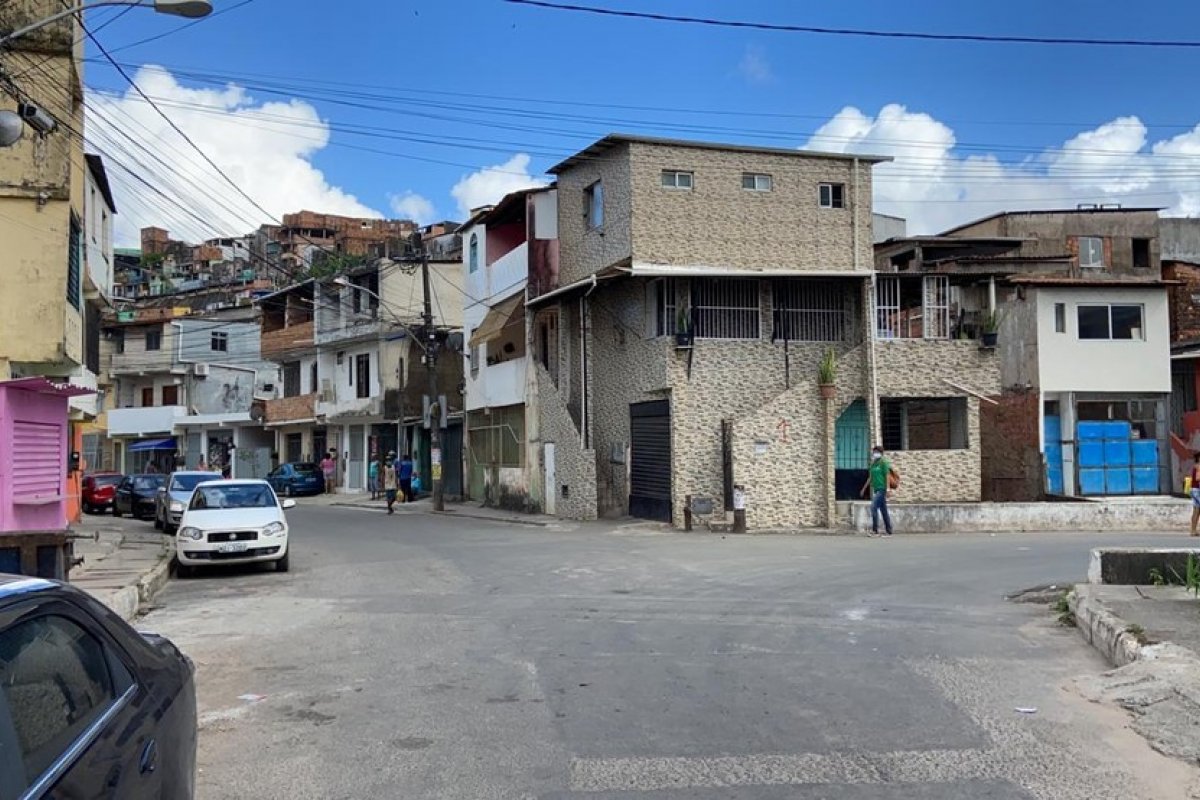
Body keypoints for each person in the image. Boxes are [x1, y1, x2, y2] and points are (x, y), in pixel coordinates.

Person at [860, 445, 899, 537]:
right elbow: (870, 477)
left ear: (881, 453)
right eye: (874, 452)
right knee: (883, 510)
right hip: (876, 488)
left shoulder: (883, 462)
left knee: (873, 507)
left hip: (882, 489)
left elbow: (887, 476)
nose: (875, 454)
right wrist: (864, 488)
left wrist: (888, 489)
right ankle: (889, 530)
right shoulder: (873, 464)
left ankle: (875, 530)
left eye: (877, 452)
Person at [1190, 453, 1200, 537]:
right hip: (1198, 490)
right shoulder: (1199, 466)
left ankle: (1193, 530)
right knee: (1196, 510)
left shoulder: (1195, 466)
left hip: (1194, 490)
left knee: (1196, 510)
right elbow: (1198, 478)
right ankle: (1193, 530)